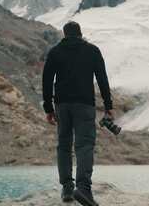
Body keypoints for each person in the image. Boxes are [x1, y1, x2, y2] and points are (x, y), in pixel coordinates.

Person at [42, 21, 113, 206]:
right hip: (84, 104)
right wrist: (108, 105)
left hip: (62, 105)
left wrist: (48, 108)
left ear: (64, 34)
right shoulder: (92, 51)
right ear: (80, 34)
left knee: (64, 145)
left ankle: (67, 188)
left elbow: (47, 80)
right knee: (84, 146)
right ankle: (83, 189)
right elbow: (102, 79)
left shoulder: (55, 52)